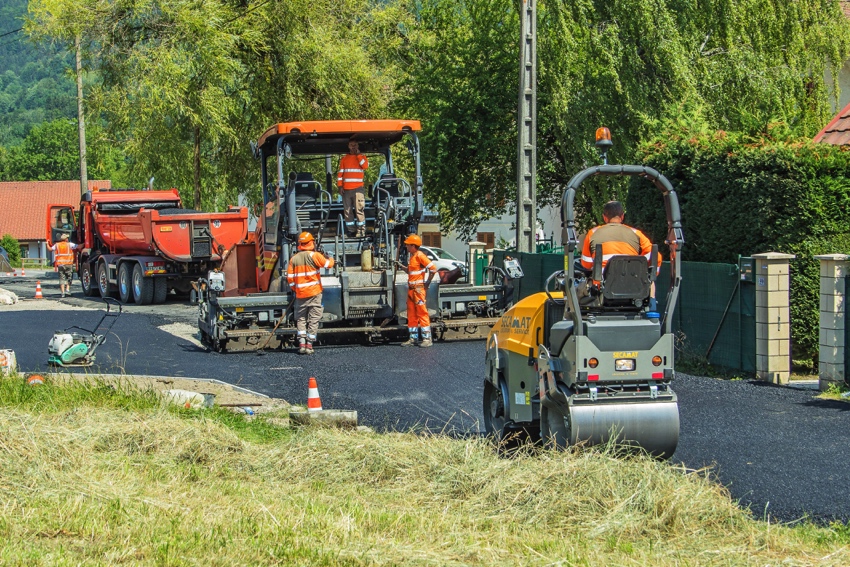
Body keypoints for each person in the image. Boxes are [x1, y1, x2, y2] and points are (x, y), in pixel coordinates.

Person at [580, 200, 660, 308]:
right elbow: (656, 258)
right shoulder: (636, 233)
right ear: (622, 216)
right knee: (650, 279)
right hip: (634, 288)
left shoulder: (593, 233)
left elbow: (586, 264)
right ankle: (652, 307)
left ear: (604, 217)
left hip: (603, 288)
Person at [286, 232, 335, 354]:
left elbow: (290, 278)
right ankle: (309, 345)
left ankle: (301, 344)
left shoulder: (294, 259)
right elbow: (328, 265)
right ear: (311, 243)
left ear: (300, 244)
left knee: (301, 318)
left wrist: (295, 289)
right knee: (313, 318)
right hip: (314, 293)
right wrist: (331, 257)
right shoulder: (315, 256)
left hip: (301, 294)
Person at [401, 233, 438, 347]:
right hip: (412, 290)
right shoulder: (413, 256)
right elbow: (412, 272)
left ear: (413, 246)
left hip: (418, 290)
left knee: (422, 313)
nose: (406, 247)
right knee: (411, 314)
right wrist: (402, 267)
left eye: (408, 245)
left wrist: (427, 283)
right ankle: (413, 338)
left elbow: (433, 269)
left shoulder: (420, 255)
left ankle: (427, 339)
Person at [337, 138, 369, 237]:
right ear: (348, 146)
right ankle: (351, 230)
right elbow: (340, 174)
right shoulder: (344, 159)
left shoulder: (362, 157)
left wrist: (358, 155)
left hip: (358, 189)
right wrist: (340, 186)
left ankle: (361, 231)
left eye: (355, 144)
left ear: (358, 146)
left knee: (359, 210)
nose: (353, 146)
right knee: (347, 211)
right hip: (346, 190)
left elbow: (365, 166)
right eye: (351, 145)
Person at [51, 233, 77, 298]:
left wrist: (47, 244)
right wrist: (84, 244)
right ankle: (67, 289)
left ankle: (62, 293)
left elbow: (50, 249)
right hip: (68, 264)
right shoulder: (69, 244)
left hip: (60, 264)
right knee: (69, 277)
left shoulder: (57, 245)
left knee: (61, 278)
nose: (68, 239)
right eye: (67, 238)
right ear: (66, 239)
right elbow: (78, 246)